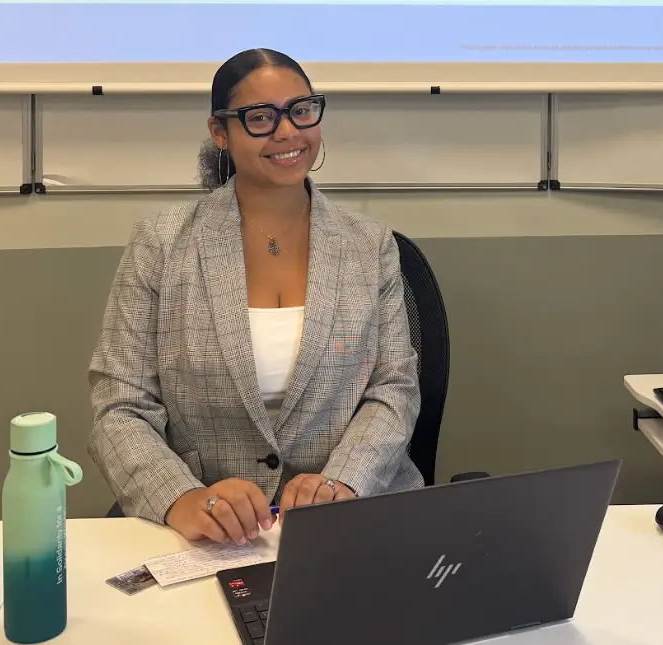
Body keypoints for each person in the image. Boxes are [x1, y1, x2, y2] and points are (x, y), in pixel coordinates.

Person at [87, 48, 423, 546]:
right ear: (220, 132)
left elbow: (394, 387)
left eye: (301, 110)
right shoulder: (161, 243)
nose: (287, 132)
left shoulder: (369, 244)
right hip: (213, 532)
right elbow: (120, 403)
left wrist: (346, 482)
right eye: (260, 118)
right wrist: (179, 497)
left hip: (351, 518)